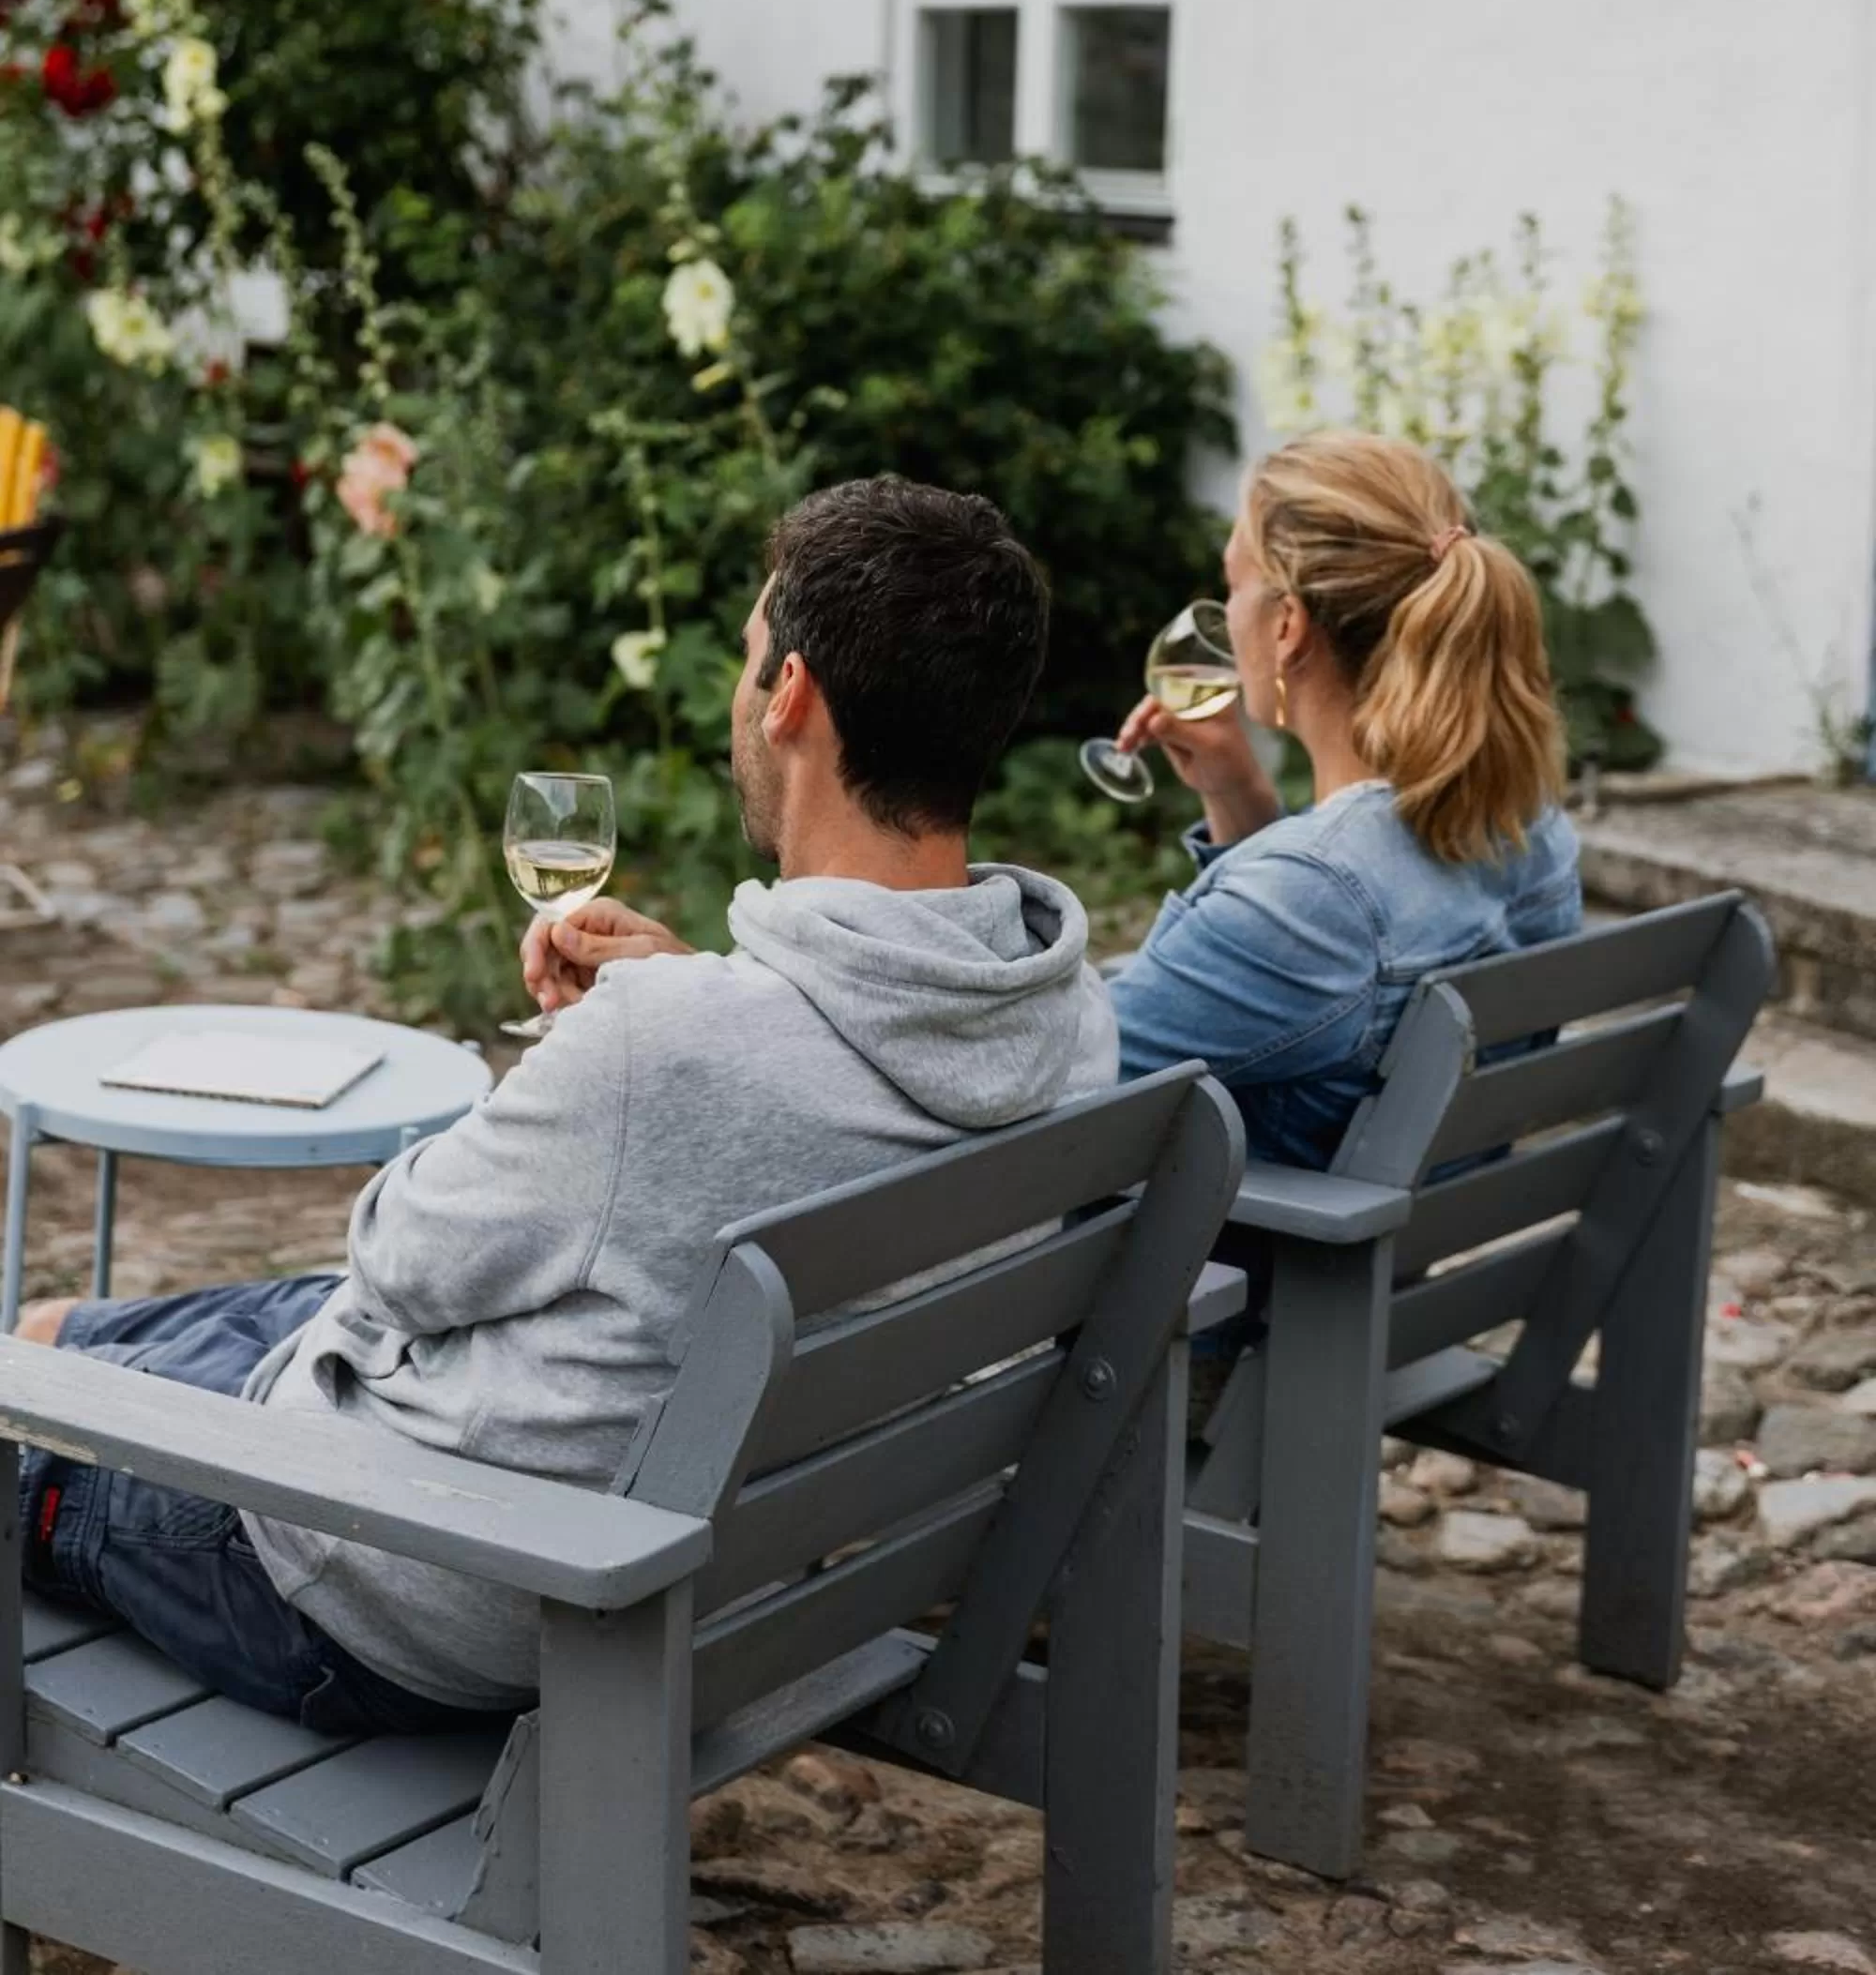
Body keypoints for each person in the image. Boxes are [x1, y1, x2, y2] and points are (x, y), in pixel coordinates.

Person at [12, 477, 1117, 1729]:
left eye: (751, 662)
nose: (739, 700)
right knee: (51, 1332)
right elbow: (789, 1087)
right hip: (713, 1562)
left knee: (36, 1391)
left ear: (795, 696)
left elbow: (395, 1258)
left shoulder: (669, 1052)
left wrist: (639, 1043)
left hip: (415, 1586)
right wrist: (692, 996)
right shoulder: (1066, 1026)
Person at [1109, 431, 1581, 1174]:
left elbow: (1068, 1082)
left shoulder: (1315, 895)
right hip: (1397, 1268)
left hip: (1249, 1279)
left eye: (1233, 586)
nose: (1225, 613)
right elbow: (1308, 1004)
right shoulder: (1530, 826)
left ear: (1288, 625)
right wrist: (1239, 796)